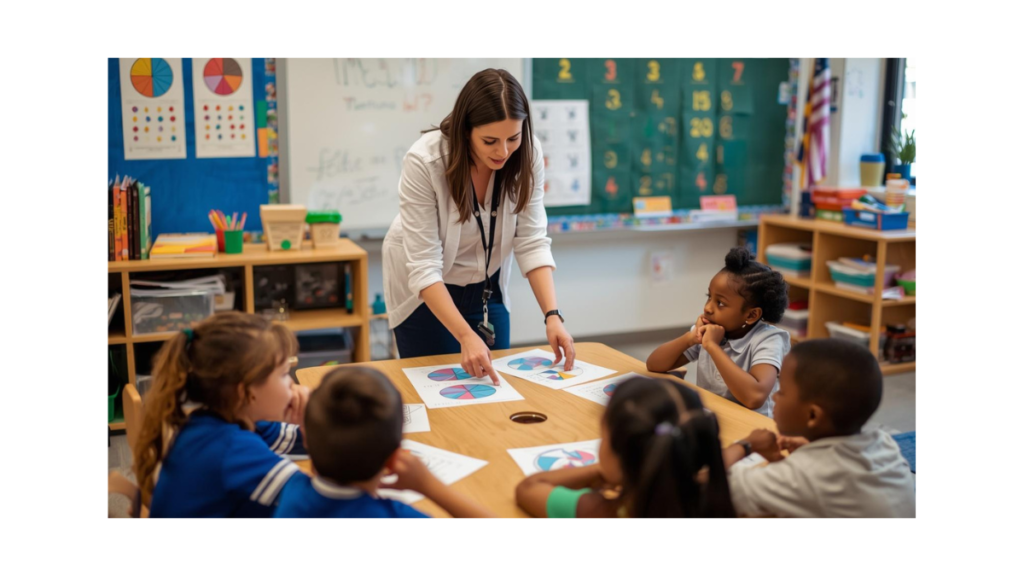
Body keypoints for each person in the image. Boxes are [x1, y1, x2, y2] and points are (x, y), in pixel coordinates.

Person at [383, 68, 574, 384]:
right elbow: (425, 267)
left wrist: (552, 317)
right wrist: (463, 335)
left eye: (513, 138)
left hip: (487, 289)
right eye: (489, 141)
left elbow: (531, 241)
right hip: (426, 293)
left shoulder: (527, 153)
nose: (503, 151)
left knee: (495, 393)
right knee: (440, 397)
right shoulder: (425, 161)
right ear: (465, 130)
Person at [133, 312, 310, 517]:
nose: (292, 383)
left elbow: (294, 439)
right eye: (283, 374)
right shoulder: (234, 448)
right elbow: (316, 504)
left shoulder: (212, 423)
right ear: (246, 393)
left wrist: (310, 421)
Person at [723, 339, 916, 517]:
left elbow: (710, 482)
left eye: (781, 391)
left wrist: (745, 445)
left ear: (813, 415)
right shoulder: (884, 444)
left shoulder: (803, 476)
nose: (774, 397)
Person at [275, 367, 494, 518]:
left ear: (304, 437)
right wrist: (430, 486)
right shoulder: (397, 517)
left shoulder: (290, 491)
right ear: (393, 459)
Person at [515, 376, 734, 518]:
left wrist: (601, 471)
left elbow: (529, 488)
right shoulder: (721, 499)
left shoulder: (602, 512)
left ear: (620, 455)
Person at [647, 247, 790, 416]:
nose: (707, 308)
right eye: (709, 297)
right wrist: (689, 338)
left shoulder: (769, 339)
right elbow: (654, 365)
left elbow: (754, 397)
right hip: (715, 416)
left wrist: (713, 347)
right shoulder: (709, 331)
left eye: (720, 303)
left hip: (753, 426)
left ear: (751, 315)